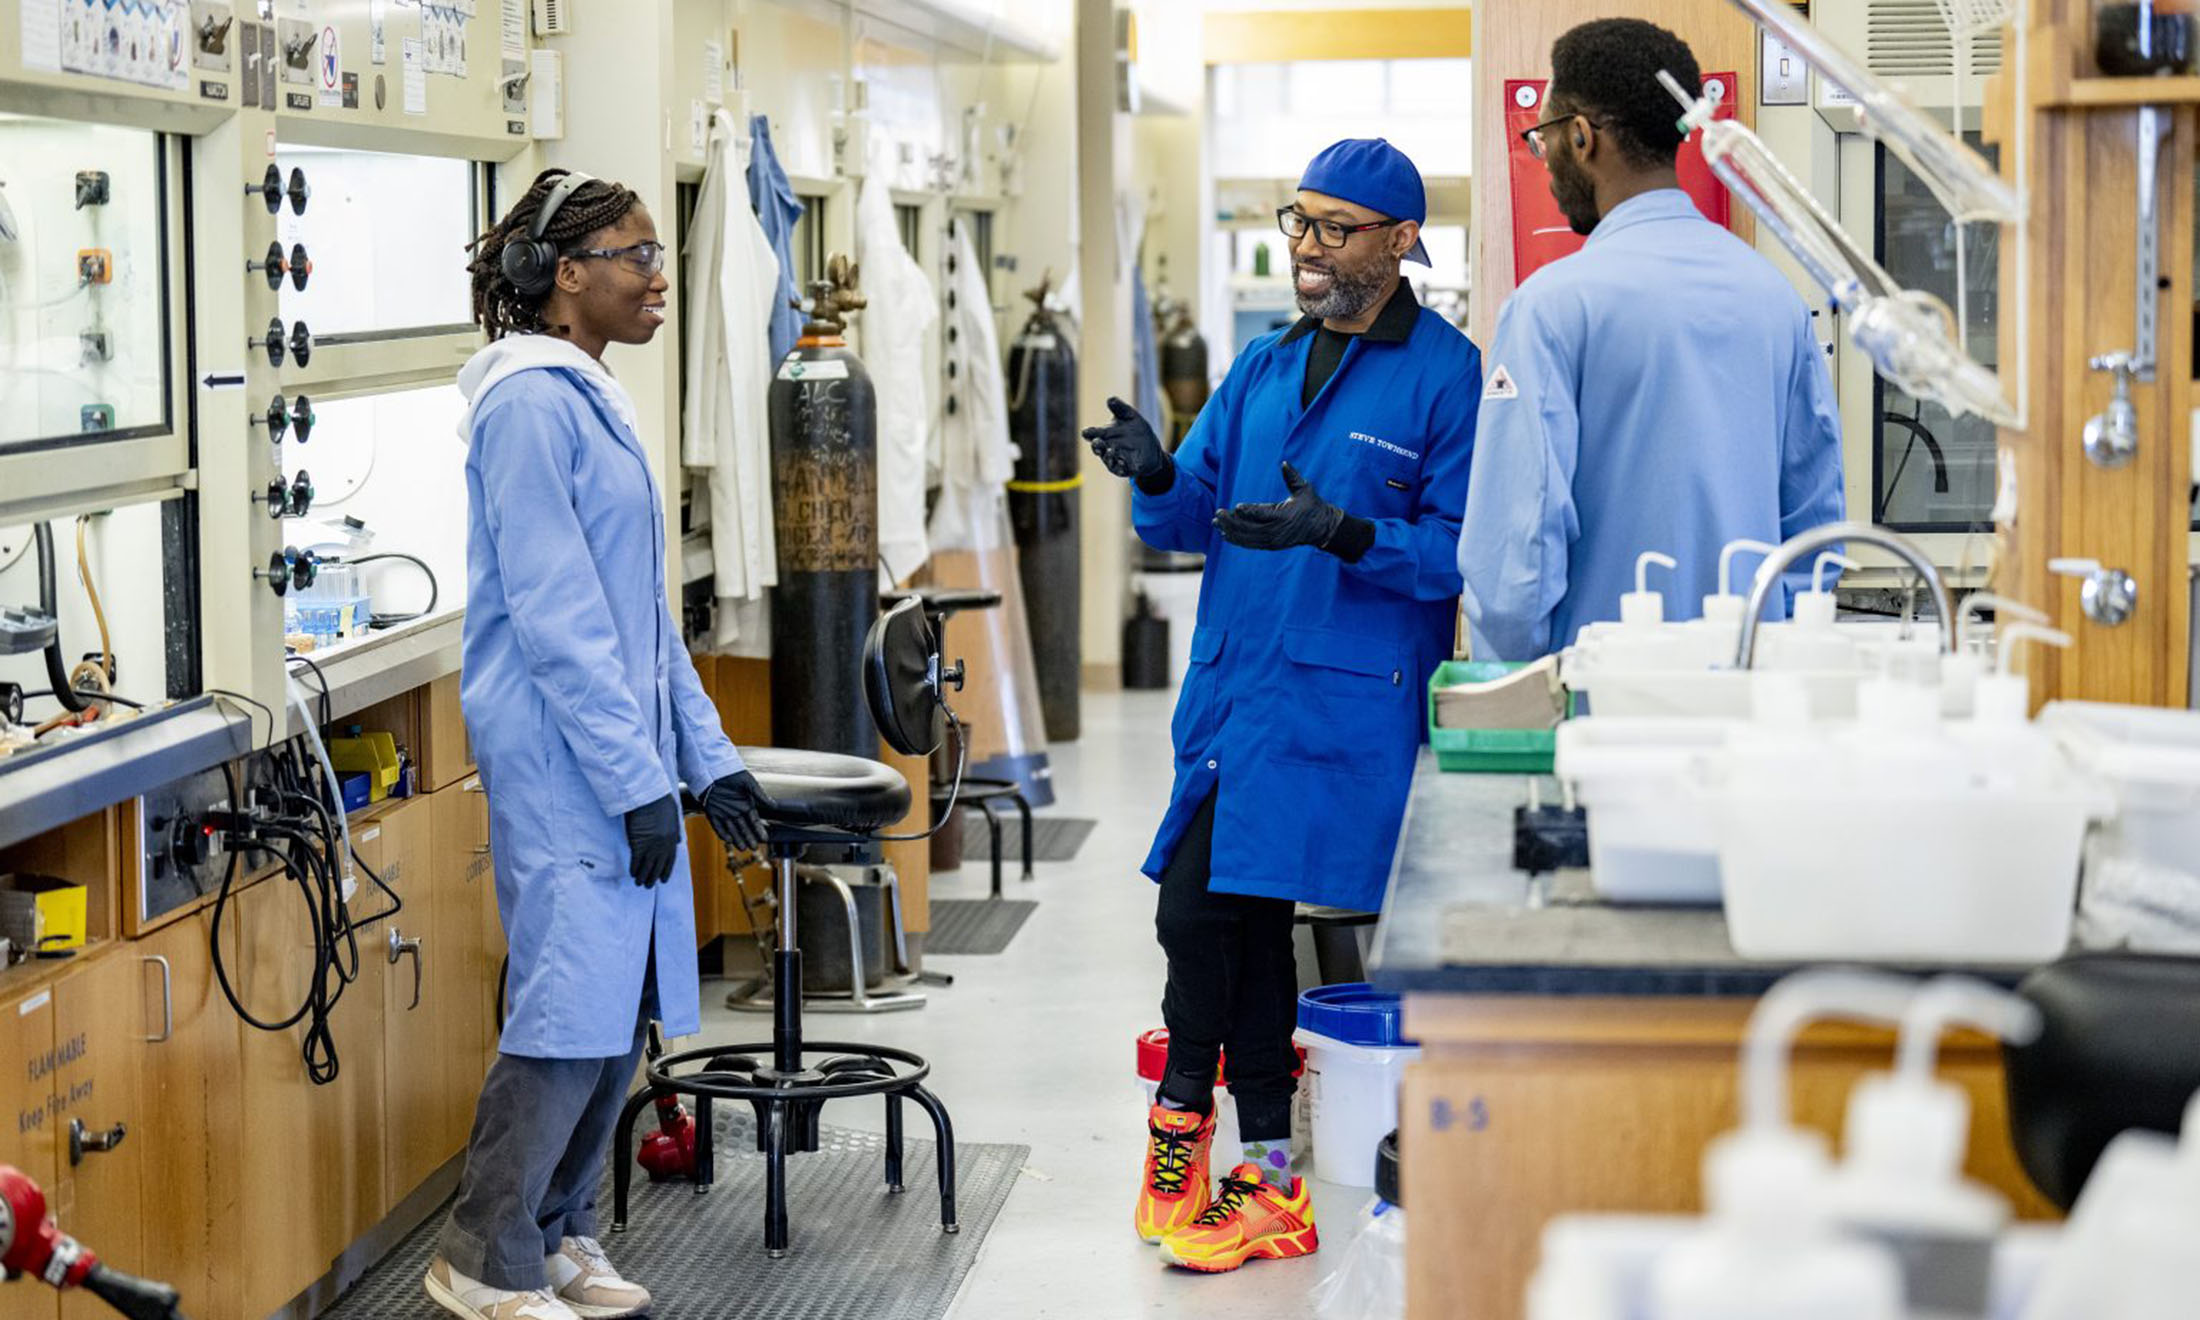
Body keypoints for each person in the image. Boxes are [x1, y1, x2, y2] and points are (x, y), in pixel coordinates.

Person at [1084, 139, 1480, 1275]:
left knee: (1201, 917)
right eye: (1295, 223)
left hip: (1340, 706)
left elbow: (1461, 557)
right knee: (1236, 921)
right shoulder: (1264, 365)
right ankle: (1268, 1169)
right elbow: (1190, 511)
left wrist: (1348, 533)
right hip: (1236, 693)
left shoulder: (1447, 377)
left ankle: (1186, 1137)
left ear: (1401, 241)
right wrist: (1157, 474)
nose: (1305, 248)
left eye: (1332, 229)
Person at [427, 168, 771, 1320]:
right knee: (566, 1009)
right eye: (635, 256)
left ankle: (563, 1229)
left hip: (618, 759)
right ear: (565, 276)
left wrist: (707, 759)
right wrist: (636, 780)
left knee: (618, 1005)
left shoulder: (591, 394)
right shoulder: (526, 403)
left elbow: (641, 612)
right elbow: (560, 617)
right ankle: (483, 1253)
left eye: (658, 254)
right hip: (564, 759)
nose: (657, 277)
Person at [1457, 18, 1845, 660]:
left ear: (1580, 137)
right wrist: (1770, 655)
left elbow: (1513, 571)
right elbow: (1815, 531)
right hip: (1750, 708)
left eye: (1544, 138)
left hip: (1605, 711)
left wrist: (1528, 685)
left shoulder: (1550, 308)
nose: (1545, 159)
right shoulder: (1772, 296)